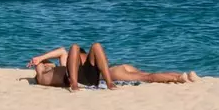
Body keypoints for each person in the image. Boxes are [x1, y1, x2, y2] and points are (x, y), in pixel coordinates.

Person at [29, 43, 196, 89]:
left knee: (147, 76)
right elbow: (62, 51)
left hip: (83, 77)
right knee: (148, 75)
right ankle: (180, 76)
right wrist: (41, 59)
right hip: (92, 75)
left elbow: (63, 51)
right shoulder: (62, 65)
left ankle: (179, 77)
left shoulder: (65, 64)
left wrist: (40, 59)